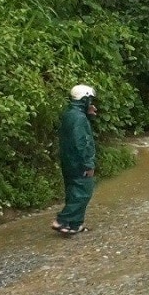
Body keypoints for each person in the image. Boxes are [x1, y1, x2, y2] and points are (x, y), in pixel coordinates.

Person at [52, 84, 97, 235]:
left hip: (68, 160)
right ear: (84, 99)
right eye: (89, 100)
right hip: (78, 161)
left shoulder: (70, 113)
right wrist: (88, 164)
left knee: (73, 191)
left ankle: (74, 224)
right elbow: (81, 143)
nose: (91, 103)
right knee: (84, 191)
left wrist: (88, 115)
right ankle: (62, 220)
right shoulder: (79, 118)